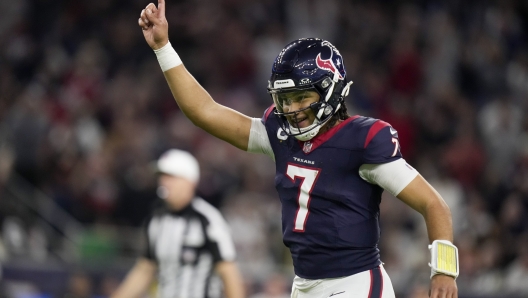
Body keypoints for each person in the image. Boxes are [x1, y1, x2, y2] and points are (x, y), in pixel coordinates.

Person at [137, 1, 459, 297]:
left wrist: (443, 270)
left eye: (302, 97)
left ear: (331, 90)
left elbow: (434, 205)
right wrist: (163, 48)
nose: (293, 109)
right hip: (303, 285)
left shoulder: (362, 139)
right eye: (285, 100)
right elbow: (204, 112)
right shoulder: (281, 133)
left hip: (355, 283)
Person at [111, 149, 245, 298]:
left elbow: (229, 272)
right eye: (162, 177)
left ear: (189, 181)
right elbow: (145, 269)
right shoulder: (156, 220)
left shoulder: (207, 219)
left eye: (171, 177)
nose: (164, 182)